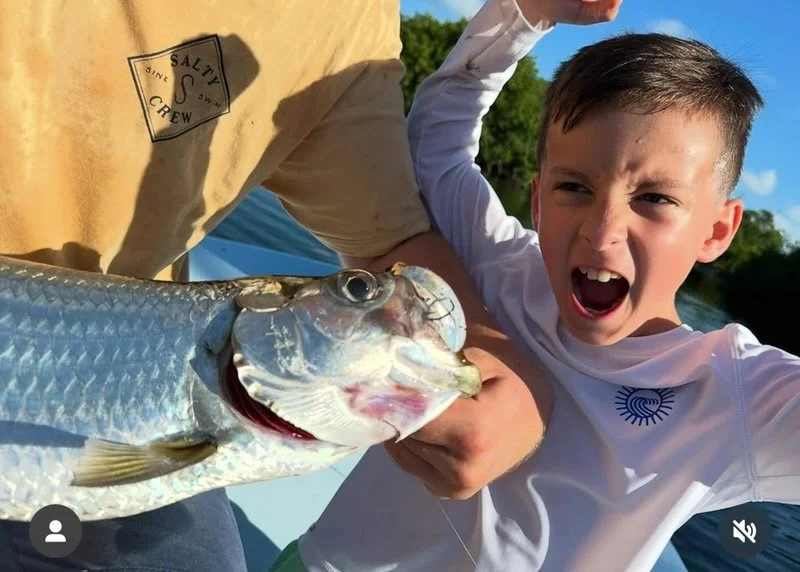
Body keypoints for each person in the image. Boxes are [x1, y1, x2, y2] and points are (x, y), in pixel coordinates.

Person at [0, 2, 553, 571]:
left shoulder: (343, 22)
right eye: (359, 295)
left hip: (143, 406)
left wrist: (502, 359)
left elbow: (387, 241)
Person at [276, 0, 800, 570]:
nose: (602, 234)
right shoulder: (495, 262)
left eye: (654, 199)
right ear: (535, 199)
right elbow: (435, 143)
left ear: (717, 231)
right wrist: (524, 13)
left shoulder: (736, 395)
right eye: (574, 187)